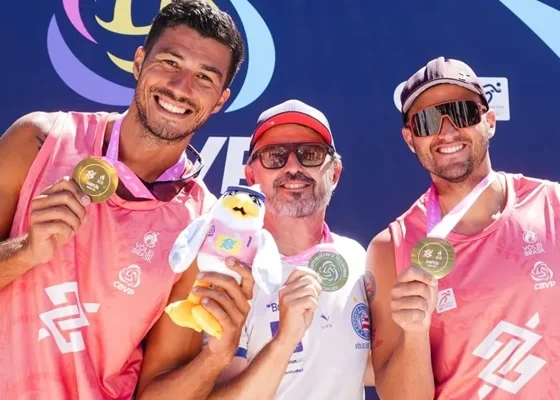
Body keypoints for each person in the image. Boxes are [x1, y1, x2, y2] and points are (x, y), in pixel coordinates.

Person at [0, 1, 254, 399]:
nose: (180, 87)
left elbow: (156, 390)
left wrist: (215, 358)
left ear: (220, 100)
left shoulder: (202, 226)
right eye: (170, 62)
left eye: (204, 77)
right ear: (139, 62)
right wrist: (25, 252)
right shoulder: (39, 140)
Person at [366, 56, 560, 400]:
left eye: (462, 112)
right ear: (410, 139)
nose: (447, 131)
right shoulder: (390, 248)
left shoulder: (553, 205)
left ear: (490, 121)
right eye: (427, 121)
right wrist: (414, 332)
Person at [207, 99, 373, 399]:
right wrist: (285, 340)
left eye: (310, 154)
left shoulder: (357, 258)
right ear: (251, 176)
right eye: (275, 156)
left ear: (334, 173)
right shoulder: (228, 269)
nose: (293, 167)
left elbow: (368, 368)